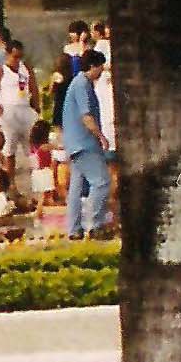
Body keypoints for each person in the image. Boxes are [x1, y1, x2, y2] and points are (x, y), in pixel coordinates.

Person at [59, 51, 112, 239]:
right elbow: (86, 116)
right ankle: (95, 225)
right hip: (84, 143)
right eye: (100, 68)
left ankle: (74, 229)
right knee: (102, 182)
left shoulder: (78, 83)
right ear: (92, 66)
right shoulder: (82, 84)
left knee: (77, 187)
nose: (101, 72)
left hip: (75, 143)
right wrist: (101, 136)